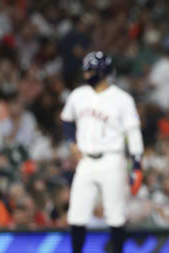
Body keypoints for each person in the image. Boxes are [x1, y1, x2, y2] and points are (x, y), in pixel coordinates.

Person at [61, 51, 145, 253]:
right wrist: (72, 143)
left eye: (91, 70)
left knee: (116, 216)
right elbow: (67, 120)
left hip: (112, 160)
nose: (87, 74)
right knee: (76, 216)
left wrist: (137, 165)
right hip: (86, 162)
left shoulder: (122, 99)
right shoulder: (78, 95)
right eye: (86, 70)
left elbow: (133, 134)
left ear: (103, 72)